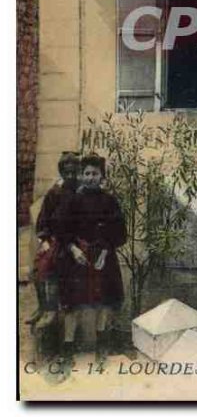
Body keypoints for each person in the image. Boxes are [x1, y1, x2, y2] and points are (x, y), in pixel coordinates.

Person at [56, 154, 126, 362]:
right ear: (81, 175)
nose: (90, 177)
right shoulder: (72, 200)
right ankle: (67, 351)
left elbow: (119, 232)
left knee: (103, 302)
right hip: (77, 257)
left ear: (102, 176)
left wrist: (105, 253)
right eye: (86, 173)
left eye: (95, 173)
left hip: (103, 257)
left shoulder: (110, 201)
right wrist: (73, 249)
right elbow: (61, 228)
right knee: (73, 304)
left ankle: (101, 348)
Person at [28, 152, 80, 330]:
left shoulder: (79, 193)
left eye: (74, 172)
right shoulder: (55, 192)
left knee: (50, 269)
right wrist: (44, 239)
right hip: (54, 238)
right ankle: (42, 307)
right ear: (62, 172)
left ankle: (51, 311)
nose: (71, 176)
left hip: (72, 241)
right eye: (67, 172)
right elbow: (44, 217)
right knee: (35, 269)